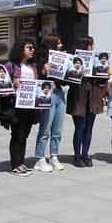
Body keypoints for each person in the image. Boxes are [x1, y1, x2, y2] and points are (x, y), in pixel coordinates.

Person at [67, 35, 106, 168]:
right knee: (80, 128)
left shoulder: (96, 59)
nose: (93, 47)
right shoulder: (73, 61)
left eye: (93, 44)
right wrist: (77, 74)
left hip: (93, 98)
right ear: (83, 46)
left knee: (89, 129)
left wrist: (103, 71)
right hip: (78, 98)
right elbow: (66, 80)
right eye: (90, 45)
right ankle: (77, 156)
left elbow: (102, 82)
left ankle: (85, 154)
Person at [5, 38, 38, 176]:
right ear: (21, 49)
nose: (32, 50)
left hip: (30, 106)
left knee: (24, 136)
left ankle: (21, 163)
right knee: (17, 135)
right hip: (16, 106)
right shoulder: (10, 65)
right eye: (29, 47)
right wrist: (13, 85)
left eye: (32, 48)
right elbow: (2, 85)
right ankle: (15, 164)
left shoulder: (33, 66)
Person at [33, 34, 66, 172]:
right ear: (51, 44)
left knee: (57, 129)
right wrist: (43, 71)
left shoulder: (63, 59)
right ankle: (40, 158)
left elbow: (66, 79)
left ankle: (54, 156)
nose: (60, 46)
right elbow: (37, 78)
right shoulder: (41, 59)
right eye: (58, 43)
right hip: (48, 94)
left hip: (60, 93)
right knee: (46, 127)